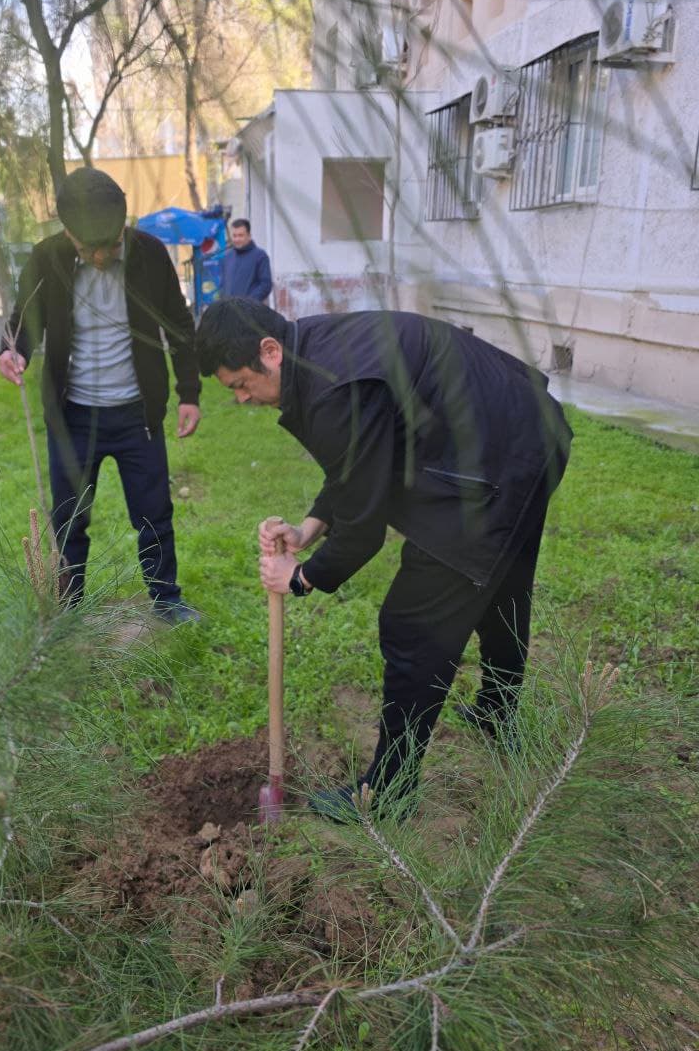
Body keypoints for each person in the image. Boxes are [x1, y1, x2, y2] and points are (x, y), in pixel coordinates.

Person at [196, 298, 573, 819]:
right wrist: (308, 529)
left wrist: (301, 578)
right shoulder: (317, 349)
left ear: (269, 351)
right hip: (529, 428)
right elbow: (361, 461)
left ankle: (389, 793)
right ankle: (498, 711)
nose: (241, 399)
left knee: (413, 624)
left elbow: (363, 532)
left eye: (240, 383)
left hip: (500, 458)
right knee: (499, 579)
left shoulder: (332, 387)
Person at [0, 166, 202, 624]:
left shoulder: (150, 254)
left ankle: (165, 598)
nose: (99, 256)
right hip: (72, 416)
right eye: (87, 247)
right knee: (69, 521)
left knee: (154, 513)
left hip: (137, 414)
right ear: (67, 231)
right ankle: (68, 611)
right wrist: (13, 352)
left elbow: (180, 325)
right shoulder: (46, 257)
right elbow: (24, 319)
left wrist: (189, 392)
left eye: (109, 245)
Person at [221, 218, 272, 303]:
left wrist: (248, 303)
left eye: (241, 235)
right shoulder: (227, 257)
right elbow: (223, 285)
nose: (237, 239)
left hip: (252, 312)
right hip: (230, 311)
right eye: (234, 235)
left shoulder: (260, 256)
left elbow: (265, 285)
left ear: (249, 236)